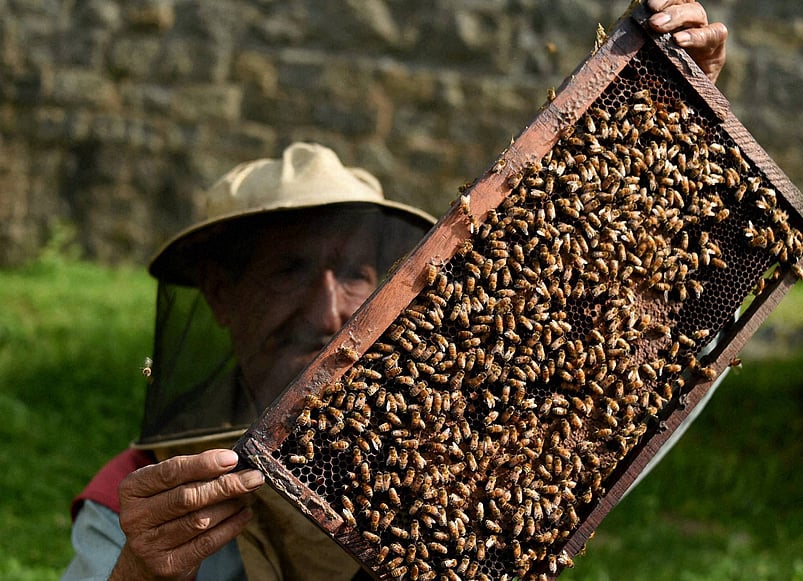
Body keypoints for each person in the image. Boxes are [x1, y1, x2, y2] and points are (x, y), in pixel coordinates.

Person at [63, 2, 728, 579]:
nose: (328, 313)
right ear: (219, 295)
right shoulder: (135, 498)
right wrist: (141, 573)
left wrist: (670, 118)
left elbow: (632, 373)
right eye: (288, 271)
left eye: (354, 273)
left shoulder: (460, 435)